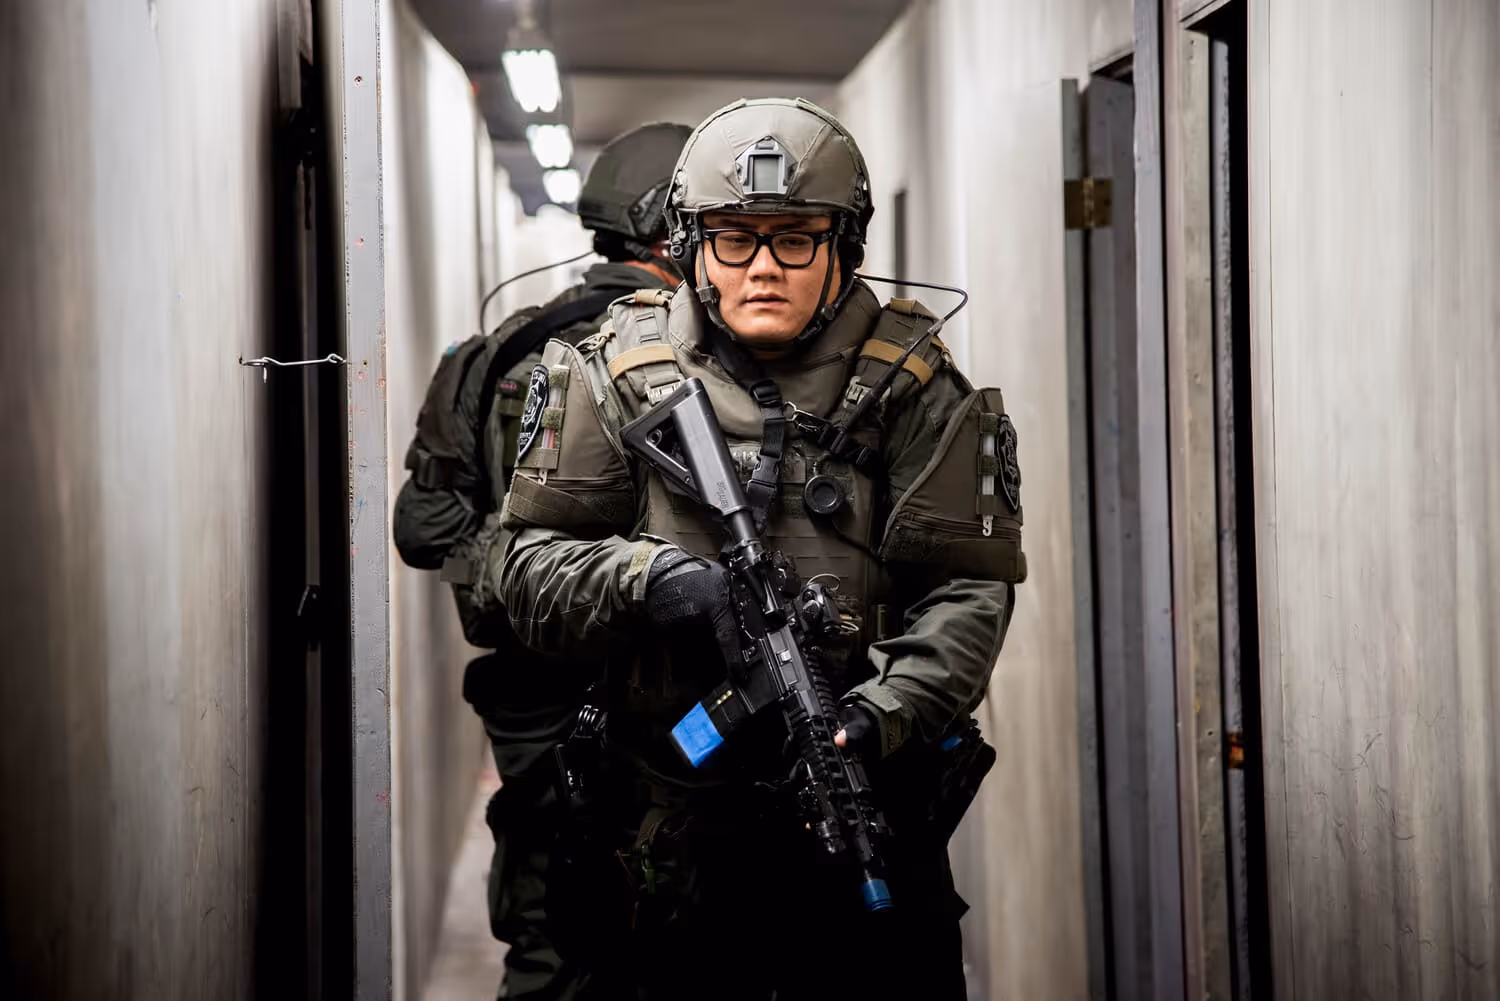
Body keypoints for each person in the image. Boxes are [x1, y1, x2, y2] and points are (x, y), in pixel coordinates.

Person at [493, 97, 1026, 999]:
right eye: (734, 240)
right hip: (664, 832)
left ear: (843, 243)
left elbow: (968, 595)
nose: (764, 269)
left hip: (864, 808)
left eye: (796, 239)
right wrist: (658, 580)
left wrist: (882, 712)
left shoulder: (915, 388)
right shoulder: (611, 371)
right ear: (693, 247)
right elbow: (528, 567)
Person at [392, 121, 692, 1001]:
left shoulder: (500, 352)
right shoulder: (701, 351)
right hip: (674, 695)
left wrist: (510, 570)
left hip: (535, 697)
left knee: (549, 935)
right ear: (671, 229)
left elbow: (423, 522)